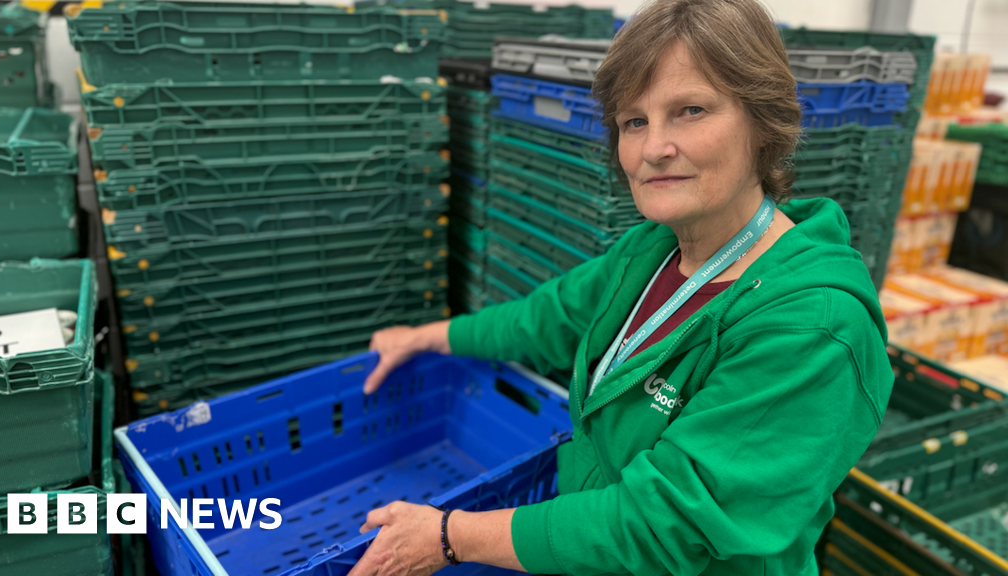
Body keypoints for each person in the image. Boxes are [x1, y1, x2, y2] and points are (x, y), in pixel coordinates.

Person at [348, 0, 893, 574]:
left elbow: (666, 524)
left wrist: (447, 535)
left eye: (690, 110)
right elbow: (547, 318)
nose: (654, 148)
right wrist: (427, 336)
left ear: (762, 120)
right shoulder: (654, 250)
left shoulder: (813, 325)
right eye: (635, 121)